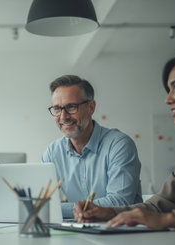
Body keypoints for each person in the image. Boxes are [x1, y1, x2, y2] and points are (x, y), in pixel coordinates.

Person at [73, 47, 175, 232]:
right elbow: (160, 204)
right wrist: (110, 212)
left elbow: (164, 215)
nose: (168, 99)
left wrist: (169, 220)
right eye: (168, 90)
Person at [42, 75, 143, 219]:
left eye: (71, 107)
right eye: (57, 109)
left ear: (91, 107)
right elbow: (41, 204)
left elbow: (119, 202)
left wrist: (57, 209)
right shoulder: (52, 153)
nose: (63, 117)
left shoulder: (119, 145)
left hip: (122, 232)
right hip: (80, 233)